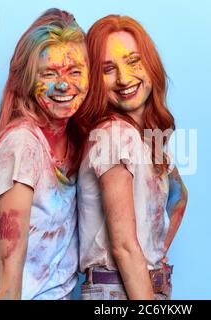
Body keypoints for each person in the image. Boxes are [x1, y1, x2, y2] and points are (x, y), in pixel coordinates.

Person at [0, 8, 89, 300]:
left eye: (75, 71)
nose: (64, 84)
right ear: (29, 80)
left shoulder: (77, 143)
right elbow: (9, 266)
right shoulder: (23, 146)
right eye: (49, 73)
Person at [76, 15, 188, 300]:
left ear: (150, 64)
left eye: (133, 61)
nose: (124, 78)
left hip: (144, 286)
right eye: (108, 68)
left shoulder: (149, 140)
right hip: (116, 291)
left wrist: (156, 255)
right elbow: (123, 246)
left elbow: (179, 197)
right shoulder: (114, 134)